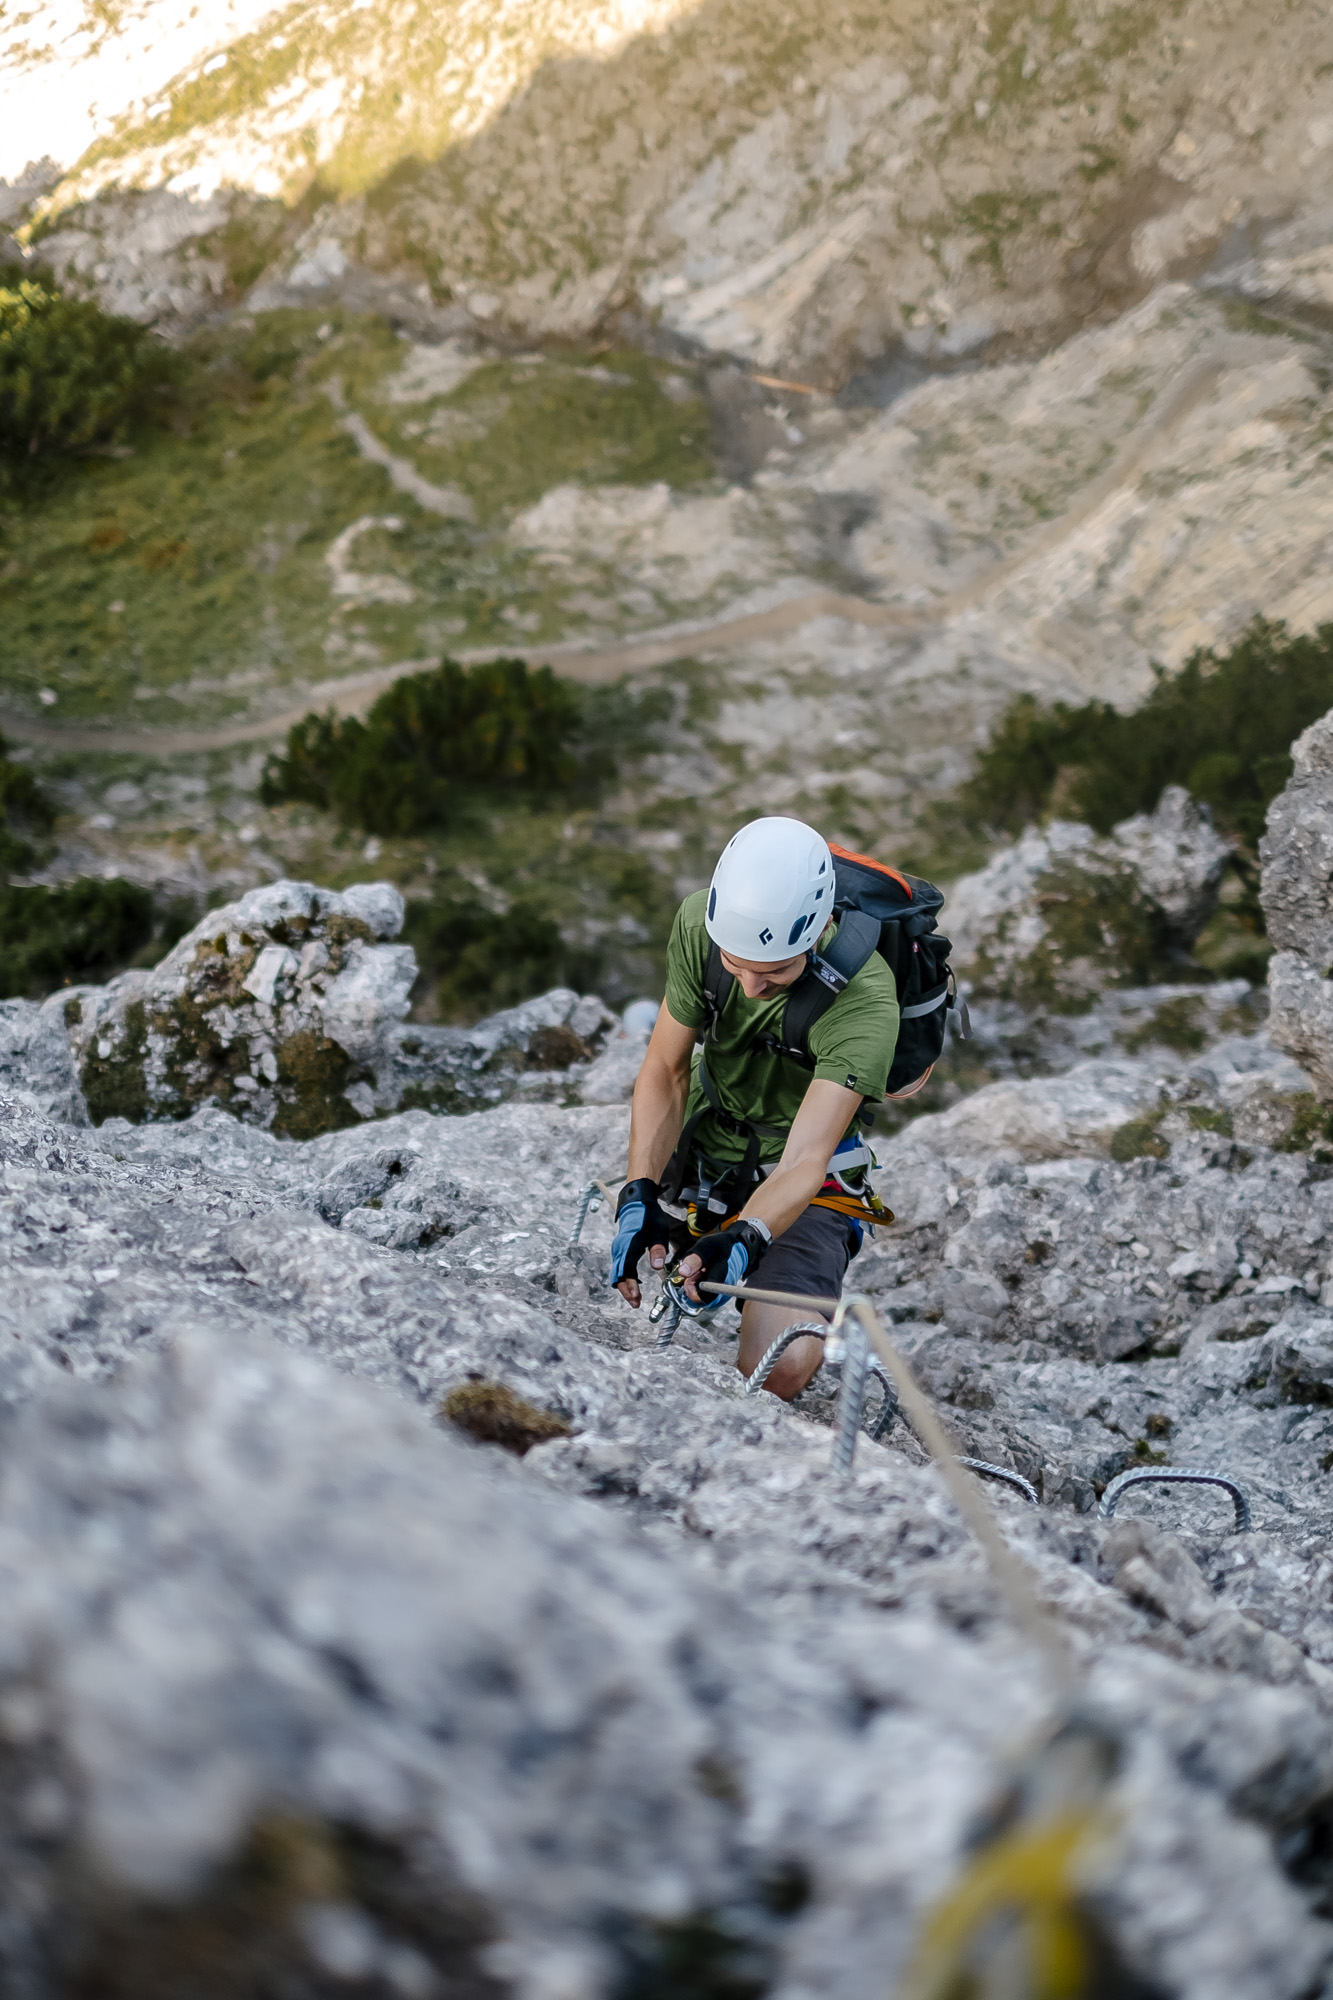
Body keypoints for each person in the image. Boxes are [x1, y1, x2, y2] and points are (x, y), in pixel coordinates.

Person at [610, 816, 900, 1400]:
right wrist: (637, 1191)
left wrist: (746, 1235)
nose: (747, 988)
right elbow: (665, 1070)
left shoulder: (864, 1002)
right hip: (704, 1141)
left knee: (781, 1365)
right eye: (734, 965)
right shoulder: (698, 923)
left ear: (816, 932)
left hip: (803, 1176)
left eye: (773, 973)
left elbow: (803, 1158)